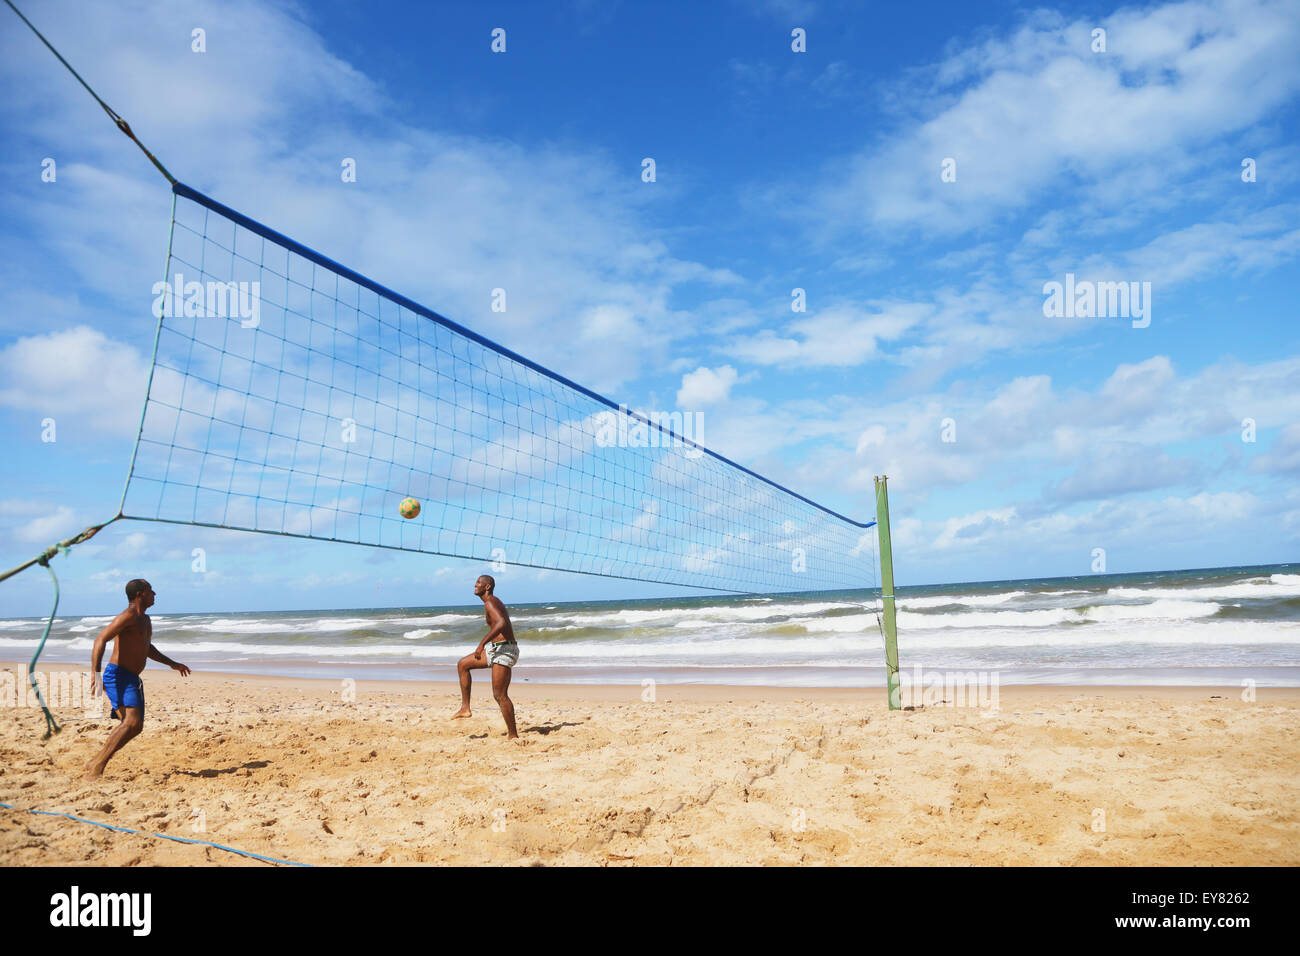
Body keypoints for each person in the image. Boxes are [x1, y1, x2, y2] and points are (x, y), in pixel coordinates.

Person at [84, 579, 190, 779]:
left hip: (132, 678)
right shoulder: (128, 616)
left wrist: (172, 664)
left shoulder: (145, 619)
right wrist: (95, 673)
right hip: (118, 674)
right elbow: (100, 639)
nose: (155, 593)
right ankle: (97, 766)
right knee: (131, 722)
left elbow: (147, 647)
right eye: (151, 590)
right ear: (140, 594)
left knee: (135, 726)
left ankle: (95, 760)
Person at [451, 574, 519, 738]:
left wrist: (481, 644)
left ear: (487, 587)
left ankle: (513, 734)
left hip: (505, 649)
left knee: (499, 695)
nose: (475, 585)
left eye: (478, 583)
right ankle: (465, 708)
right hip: (496, 648)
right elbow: (499, 623)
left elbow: (501, 623)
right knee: (463, 665)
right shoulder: (491, 602)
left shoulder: (490, 602)